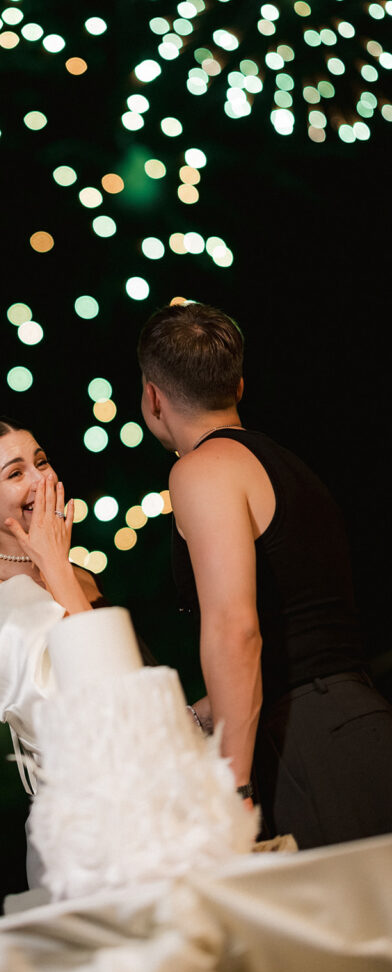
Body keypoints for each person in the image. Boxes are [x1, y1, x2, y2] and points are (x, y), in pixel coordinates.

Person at [0, 416, 257, 893]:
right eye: (16, 472)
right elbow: (84, 711)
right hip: (98, 836)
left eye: (41, 462)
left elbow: (132, 693)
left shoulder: (79, 575)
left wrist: (200, 713)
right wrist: (56, 566)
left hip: (170, 801)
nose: (42, 480)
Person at [137, 299, 392, 849]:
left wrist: (234, 781)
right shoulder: (287, 466)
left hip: (309, 745)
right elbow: (295, 634)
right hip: (359, 723)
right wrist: (194, 718)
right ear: (239, 387)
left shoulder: (200, 470)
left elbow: (235, 628)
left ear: (153, 397)